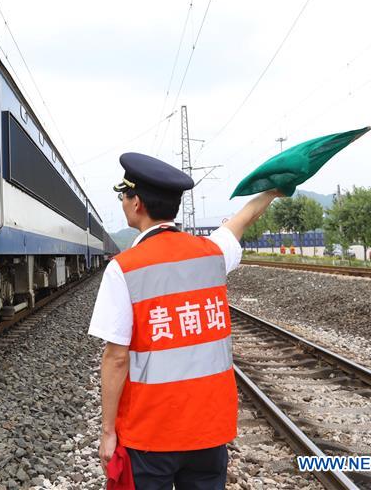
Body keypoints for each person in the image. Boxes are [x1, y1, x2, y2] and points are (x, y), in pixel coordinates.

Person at [88, 152, 281, 490]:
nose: (123, 202)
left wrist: (108, 432)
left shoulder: (124, 268)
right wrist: (272, 192)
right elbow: (241, 221)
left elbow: (116, 358)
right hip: (209, 429)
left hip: (150, 434)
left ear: (137, 205)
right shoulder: (211, 253)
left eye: (124, 195)